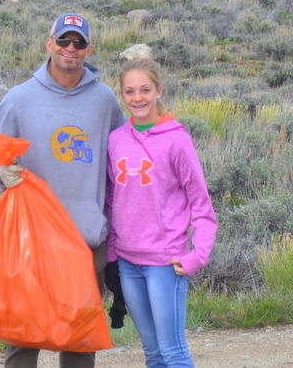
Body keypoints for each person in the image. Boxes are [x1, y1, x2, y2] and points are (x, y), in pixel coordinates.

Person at [0, 13, 126, 368]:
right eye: (63, 41)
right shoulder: (20, 97)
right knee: (23, 342)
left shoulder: (104, 101)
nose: (69, 49)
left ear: (89, 49)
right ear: (49, 44)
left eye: (78, 43)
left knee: (78, 343)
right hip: (32, 242)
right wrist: (1, 171)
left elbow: (124, 153)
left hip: (86, 240)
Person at [106, 58, 218, 367]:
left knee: (173, 353)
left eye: (145, 89)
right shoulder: (116, 140)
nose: (137, 98)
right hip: (129, 263)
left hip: (165, 264)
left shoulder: (177, 140)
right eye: (129, 91)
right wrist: (113, 255)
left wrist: (198, 255)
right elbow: (115, 200)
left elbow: (202, 206)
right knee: (152, 353)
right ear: (122, 95)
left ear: (158, 90)